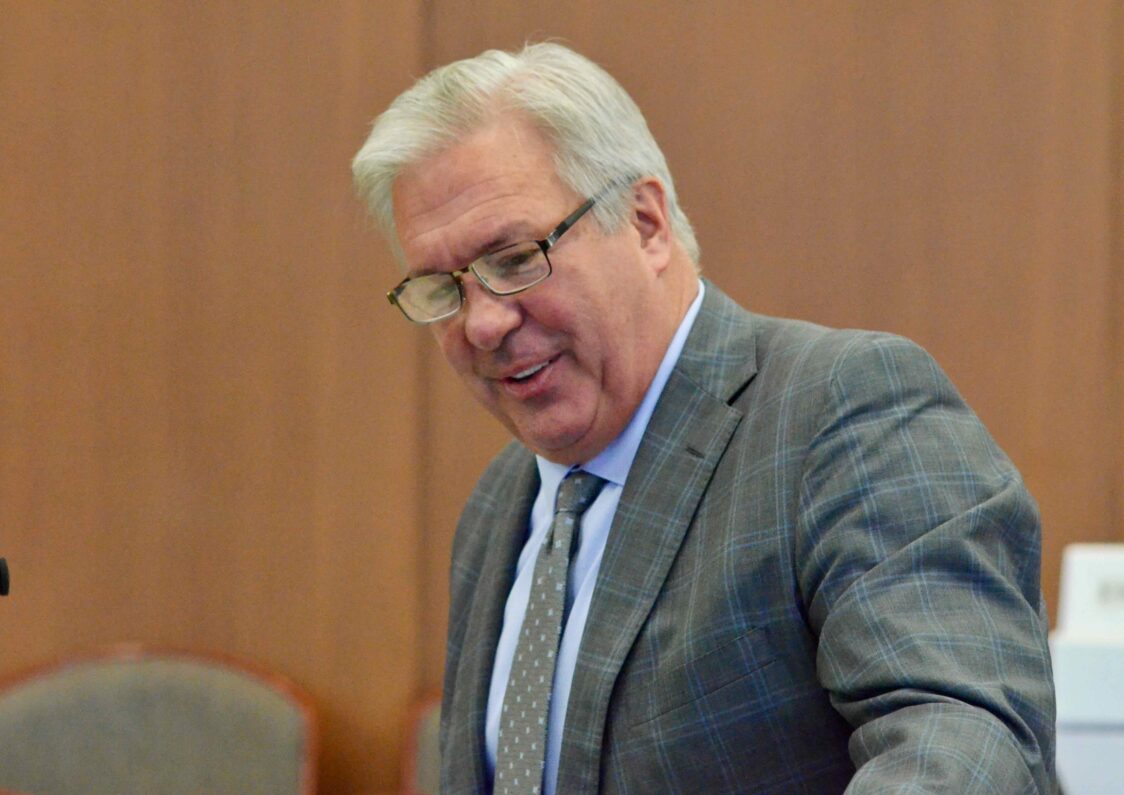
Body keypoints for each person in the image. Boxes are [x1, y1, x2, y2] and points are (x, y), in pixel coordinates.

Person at [352, 43, 1055, 794]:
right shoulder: (501, 503)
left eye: (516, 258)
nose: (484, 323)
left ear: (646, 224)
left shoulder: (841, 411)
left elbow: (962, 738)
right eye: (442, 289)